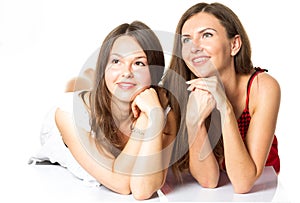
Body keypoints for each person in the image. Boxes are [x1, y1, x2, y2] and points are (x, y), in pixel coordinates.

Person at [31, 21, 178, 200]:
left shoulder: (161, 109)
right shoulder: (68, 113)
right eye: (116, 61)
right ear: (103, 67)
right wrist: (146, 121)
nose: (127, 72)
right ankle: (80, 83)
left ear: (154, 72)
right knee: (79, 93)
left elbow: (143, 190)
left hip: (118, 101)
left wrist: (151, 116)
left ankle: (85, 81)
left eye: (139, 63)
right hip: (82, 115)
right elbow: (122, 184)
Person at [163, 2, 280, 193]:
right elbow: (208, 181)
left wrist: (224, 106)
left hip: (261, 193)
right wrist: (195, 123)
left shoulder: (262, 87)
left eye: (206, 35)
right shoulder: (183, 91)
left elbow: (243, 183)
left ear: (234, 45)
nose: (194, 47)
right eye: (186, 40)